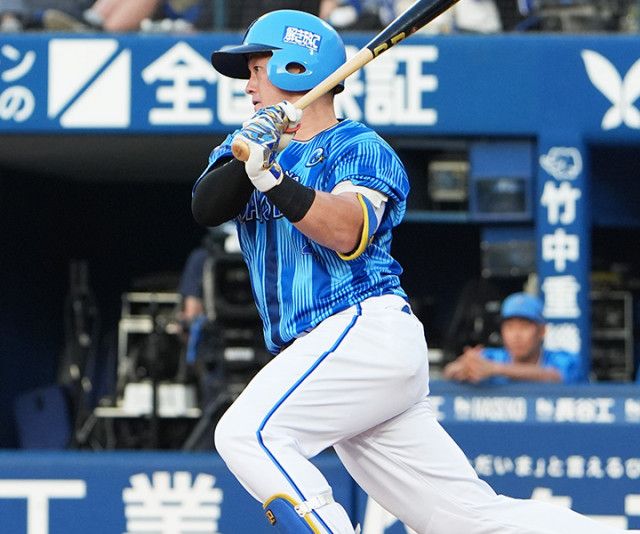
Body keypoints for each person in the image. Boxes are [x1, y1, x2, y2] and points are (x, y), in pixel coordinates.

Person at [191, 10, 638, 534]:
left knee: (248, 434)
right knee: (465, 520)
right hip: (328, 355)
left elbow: (348, 231)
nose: (248, 85)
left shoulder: (358, 147)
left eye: (256, 69)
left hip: (362, 331)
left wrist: (272, 177)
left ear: (296, 67)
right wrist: (252, 157)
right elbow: (207, 207)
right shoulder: (248, 145)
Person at [443, 292, 584, 385]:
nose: (517, 335)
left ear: (542, 331)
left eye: (524, 327)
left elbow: (554, 376)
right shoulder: (492, 356)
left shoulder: (563, 358)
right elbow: (450, 370)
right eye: (510, 327)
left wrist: (495, 369)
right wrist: (466, 367)